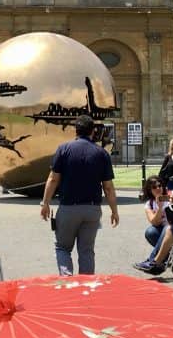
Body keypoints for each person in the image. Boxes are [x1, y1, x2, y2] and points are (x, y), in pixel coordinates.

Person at [40, 115, 119, 276]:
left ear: (75, 130)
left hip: (69, 207)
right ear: (93, 131)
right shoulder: (102, 153)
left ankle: (68, 280)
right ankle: (86, 287)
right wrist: (114, 211)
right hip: (92, 209)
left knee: (62, 247)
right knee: (86, 251)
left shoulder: (64, 149)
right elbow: (108, 188)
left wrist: (45, 203)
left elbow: (53, 179)